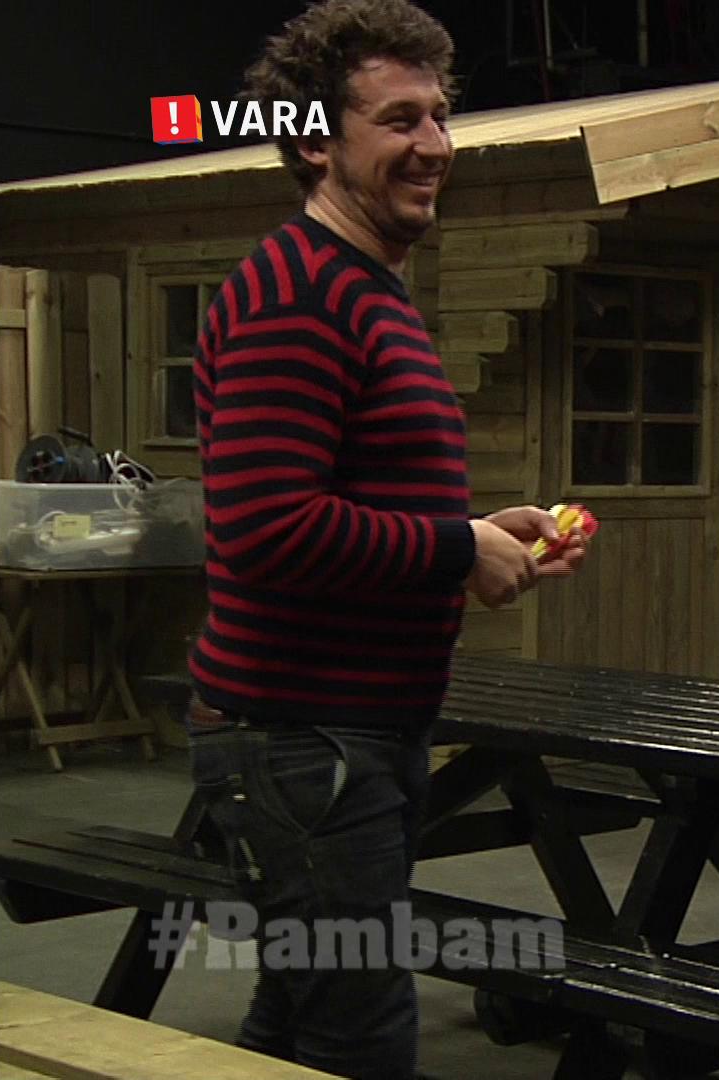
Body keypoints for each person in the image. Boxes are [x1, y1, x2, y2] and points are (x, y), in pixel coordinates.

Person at [185, 3, 586, 1077]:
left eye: (441, 116)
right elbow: (267, 527)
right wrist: (457, 549)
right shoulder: (297, 294)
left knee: (294, 1030)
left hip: (353, 733)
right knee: (360, 1038)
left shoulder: (367, 289)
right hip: (306, 740)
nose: (435, 145)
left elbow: (354, 497)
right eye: (400, 119)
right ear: (317, 142)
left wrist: (483, 532)